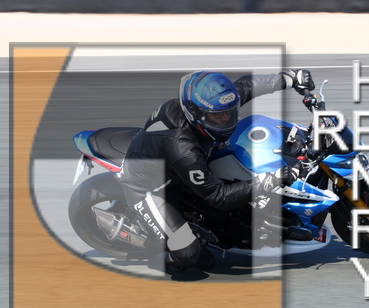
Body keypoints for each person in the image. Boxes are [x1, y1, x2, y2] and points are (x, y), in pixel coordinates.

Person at [118, 69, 315, 272]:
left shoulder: (212, 103)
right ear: (196, 113)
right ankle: (157, 251)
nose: (226, 118)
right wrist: (272, 179)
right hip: (151, 188)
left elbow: (247, 86)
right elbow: (219, 196)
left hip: (175, 164)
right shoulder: (184, 149)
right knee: (189, 254)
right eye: (218, 115)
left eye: (230, 112)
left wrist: (289, 78)